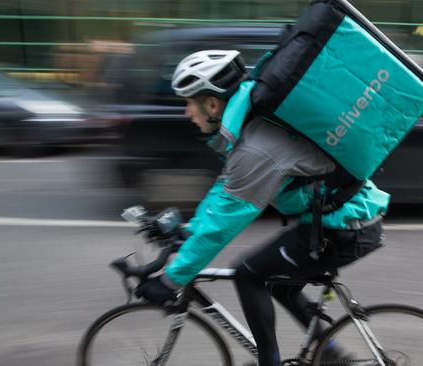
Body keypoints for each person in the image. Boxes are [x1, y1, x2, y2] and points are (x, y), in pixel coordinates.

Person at [135, 50, 389, 366]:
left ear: (213, 104)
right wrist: (188, 231)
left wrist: (170, 280)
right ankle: (333, 355)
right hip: (343, 219)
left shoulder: (257, 148)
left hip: (345, 228)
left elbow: (224, 223)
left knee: (250, 274)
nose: (187, 112)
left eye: (189, 102)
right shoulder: (251, 126)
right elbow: (224, 193)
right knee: (279, 285)